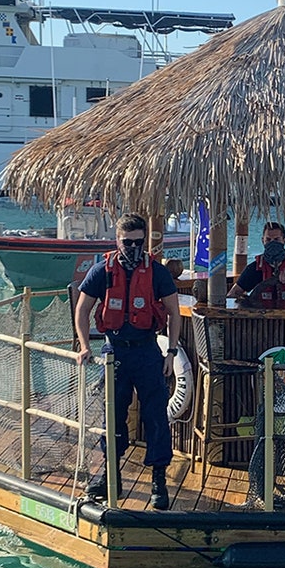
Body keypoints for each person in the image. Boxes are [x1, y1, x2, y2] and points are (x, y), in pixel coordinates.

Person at [74, 213, 182, 510]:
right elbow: (82, 310)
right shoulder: (102, 271)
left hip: (148, 351)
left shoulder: (157, 273)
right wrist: (85, 346)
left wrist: (171, 353)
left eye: (138, 241)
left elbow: (173, 313)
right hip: (115, 352)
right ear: (117, 240)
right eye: (127, 242)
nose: (133, 247)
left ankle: (158, 480)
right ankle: (111, 474)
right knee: (113, 415)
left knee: (156, 416)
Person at [226, 221, 285, 302]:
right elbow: (232, 296)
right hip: (262, 315)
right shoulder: (254, 268)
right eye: (268, 240)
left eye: (276, 239)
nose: (272, 243)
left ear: (284, 240)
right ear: (263, 241)